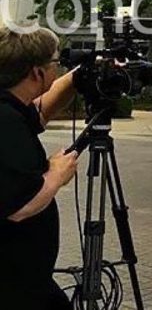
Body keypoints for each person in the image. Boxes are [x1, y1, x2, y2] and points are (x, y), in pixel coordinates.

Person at [0, 26, 79, 309]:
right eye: (56, 62)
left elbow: (40, 110)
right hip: (13, 282)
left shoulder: (12, 107)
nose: (58, 68)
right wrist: (56, 174)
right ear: (37, 72)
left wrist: (80, 76)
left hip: (25, 276)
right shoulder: (6, 121)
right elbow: (18, 206)